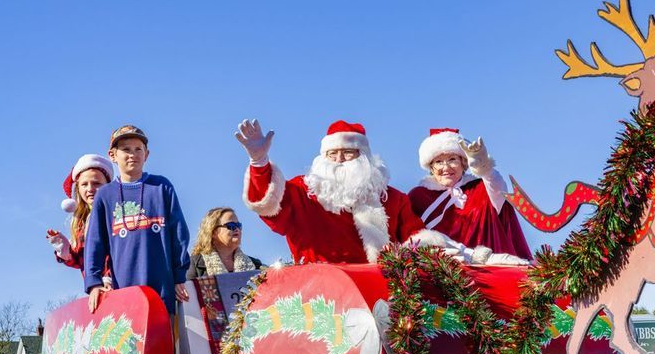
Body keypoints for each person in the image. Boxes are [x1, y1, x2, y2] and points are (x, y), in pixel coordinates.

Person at [236, 118, 496, 264]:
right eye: (332, 154)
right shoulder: (305, 191)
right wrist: (259, 162)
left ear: (364, 157)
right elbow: (270, 205)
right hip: (317, 295)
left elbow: (417, 238)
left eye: (348, 153)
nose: (339, 159)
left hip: (378, 296)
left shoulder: (391, 199)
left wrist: (461, 253)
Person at [84, 125, 191, 315]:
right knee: (130, 341)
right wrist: (94, 283)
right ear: (112, 155)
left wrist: (179, 276)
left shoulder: (161, 187)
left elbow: (179, 233)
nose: (132, 154)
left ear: (146, 154)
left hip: (162, 289)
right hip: (123, 290)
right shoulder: (105, 196)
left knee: (163, 342)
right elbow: (95, 243)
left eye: (138, 149)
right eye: (125, 149)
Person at [408, 129, 532, 259]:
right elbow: (409, 234)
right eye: (438, 162)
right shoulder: (418, 196)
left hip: (488, 268)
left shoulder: (481, 187)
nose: (446, 167)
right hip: (441, 271)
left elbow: (499, 191)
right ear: (431, 168)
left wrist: (484, 168)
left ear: (463, 163)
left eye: (452, 159)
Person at [46, 154, 113, 276]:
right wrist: (65, 250)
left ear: (108, 186)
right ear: (78, 189)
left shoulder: (114, 215)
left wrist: (108, 277)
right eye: (84, 184)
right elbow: (80, 260)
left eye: (96, 183)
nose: (90, 189)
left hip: (117, 284)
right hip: (95, 287)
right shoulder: (81, 223)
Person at [187, 207, 262, 279]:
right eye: (231, 226)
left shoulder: (256, 266)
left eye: (238, 225)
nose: (237, 229)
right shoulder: (193, 264)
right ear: (213, 232)